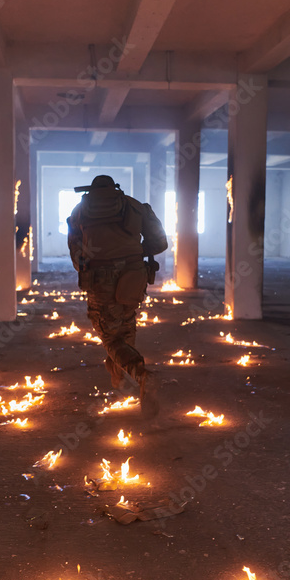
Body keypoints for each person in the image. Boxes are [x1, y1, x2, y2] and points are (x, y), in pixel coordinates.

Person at [67, 174, 169, 418]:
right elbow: (160, 243)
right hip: (134, 275)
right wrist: (134, 251)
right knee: (125, 322)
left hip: (100, 280)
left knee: (110, 337)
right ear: (115, 189)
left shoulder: (80, 210)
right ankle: (118, 377)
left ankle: (142, 376)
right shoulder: (134, 205)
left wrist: (94, 261)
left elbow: (76, 253)